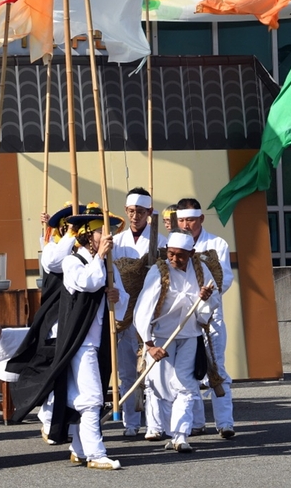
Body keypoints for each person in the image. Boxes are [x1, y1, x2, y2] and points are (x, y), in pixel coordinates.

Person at [11, 204, 126, 470]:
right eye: (100, 233)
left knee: (84, 396)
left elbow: (119, 296)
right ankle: (96, 454)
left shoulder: (107, 265)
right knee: (93, 398)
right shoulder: (72, 261)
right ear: (87, 235)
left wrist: (116, 298)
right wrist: (101, 261)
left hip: (100, 341)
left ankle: (80, 448)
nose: (106, 238)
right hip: (80, 341)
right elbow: (87, 282)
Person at [133, 229, 218, 453]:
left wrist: (204, 301)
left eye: (180, 255)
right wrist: (149, 345)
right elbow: (143, 309)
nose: (174, 259)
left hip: (190, 335)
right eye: (170, 253)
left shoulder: (201, 270)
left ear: (191, 253)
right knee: (162, 388)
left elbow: (211, 304)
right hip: (162, 337)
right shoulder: (158, 271)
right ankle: (169, 431)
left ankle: (181, 436)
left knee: (186, 386)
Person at [8, 201, 83, 445]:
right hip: (56, 321)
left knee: (74, 376)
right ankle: (49, 416)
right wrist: (66, 235)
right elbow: (53, 262)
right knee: (55, 373)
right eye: (72, 226)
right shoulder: (54, 248)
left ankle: (69, 424)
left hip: (80, 320)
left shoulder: (83, 252)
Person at [176, 198, 236, 439]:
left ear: (200, 219)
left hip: (211, 317)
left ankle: (225, 422)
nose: (186, 224)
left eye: (190, 219)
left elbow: (225, 278)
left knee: (216, 368)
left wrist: (207, 296)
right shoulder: (174, 244)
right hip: (185, 318)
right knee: (189, 372)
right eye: (181, 220)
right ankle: (196, 422)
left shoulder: (216, 243)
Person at [111, 187, 166, 438]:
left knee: (153, 369)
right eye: (132, 211)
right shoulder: (116, 241)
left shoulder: (161, 241)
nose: (135, 216)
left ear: (149, 213)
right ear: (126, 211)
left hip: (150, 310)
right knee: (126, 370)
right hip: (123, 311)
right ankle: (131, 422)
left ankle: (156, 423)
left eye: (141, 212)